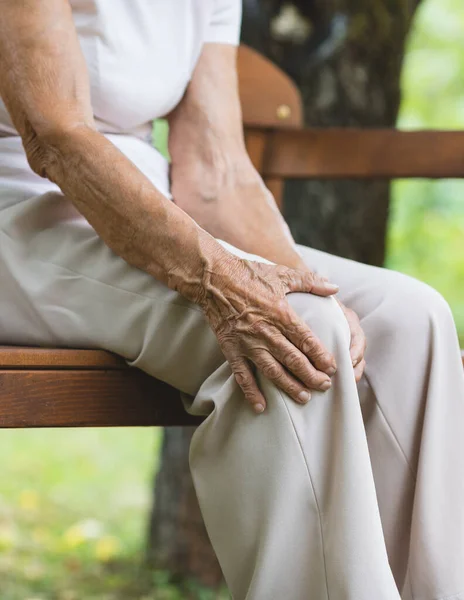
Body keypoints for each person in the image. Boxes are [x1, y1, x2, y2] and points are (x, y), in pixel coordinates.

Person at [0, 1, 463, 598]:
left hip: (149, 216)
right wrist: (224, 280)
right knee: (298, 331)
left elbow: (215, 171)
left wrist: (294, 280)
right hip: (21, 222)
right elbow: (54, 136)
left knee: (408, 318)